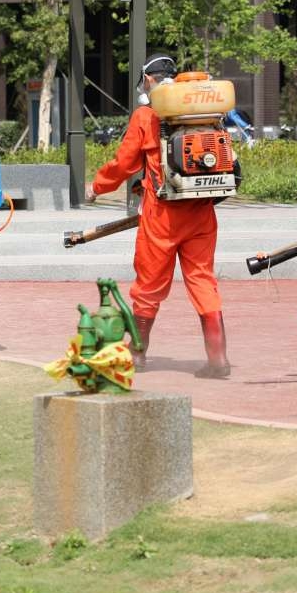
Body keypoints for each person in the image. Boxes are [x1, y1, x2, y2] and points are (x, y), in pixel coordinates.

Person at [85, 54, 229, 377]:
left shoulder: (146, 116)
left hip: (162, 215)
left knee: (148, 286)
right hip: (201, 213)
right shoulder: (206, 112)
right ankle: (218, 360)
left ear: (149, 80)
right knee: (203, 281)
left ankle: (137, 355)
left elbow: (124, 163)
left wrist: (96, 186)